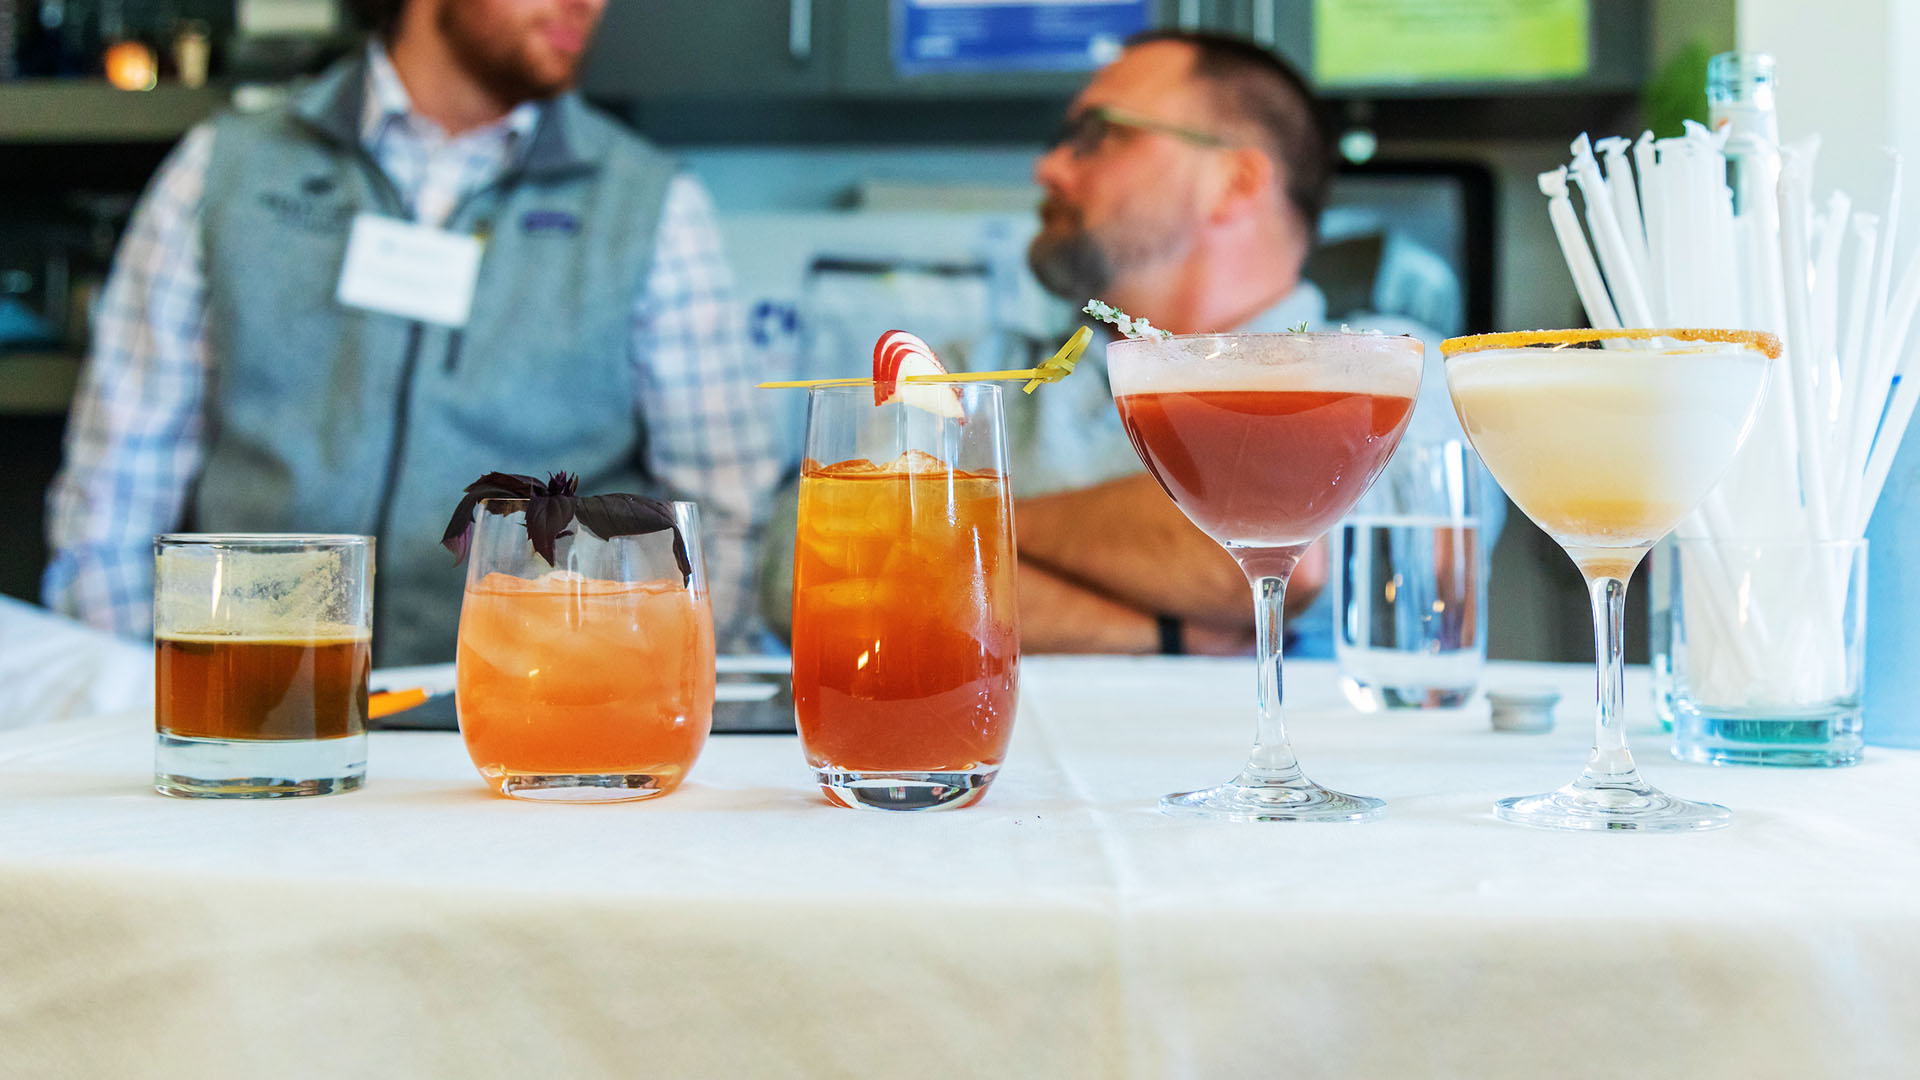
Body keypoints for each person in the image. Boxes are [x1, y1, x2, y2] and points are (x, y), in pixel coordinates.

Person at [43, 0, 779, 664]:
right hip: (261, 708)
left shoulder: (652, 207)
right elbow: (113, 496)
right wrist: (140, 704)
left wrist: (640, 694)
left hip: (534, 728)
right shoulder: (224, 171)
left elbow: (724, 515)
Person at [1012, 29, 1496, 656]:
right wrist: (1171, 630)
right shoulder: (975, 375)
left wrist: (965, 524)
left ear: (1237, 180)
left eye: (1100, 135)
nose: (1048, 167)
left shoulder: (1408, 376)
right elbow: (869, 583)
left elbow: (1290, 550)